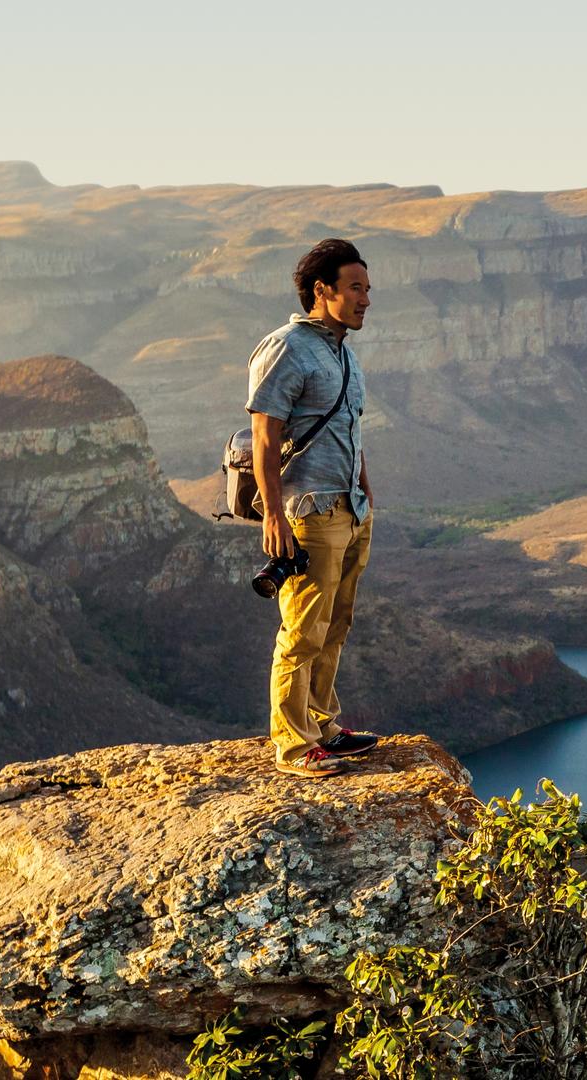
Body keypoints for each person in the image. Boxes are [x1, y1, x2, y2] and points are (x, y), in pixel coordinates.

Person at [245, 238, 381, 778]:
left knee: (336, 624)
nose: (366, 299)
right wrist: (274, 516)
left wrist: (368, 493)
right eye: (355, 288)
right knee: (302, 630)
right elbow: (264, 433)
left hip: (351, 508)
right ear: (321, 290)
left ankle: (323, 723)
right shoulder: (286, 348)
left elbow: (351, 429)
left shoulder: (342, 352)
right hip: (310, 510)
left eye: (368, 290)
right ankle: (294, 746)